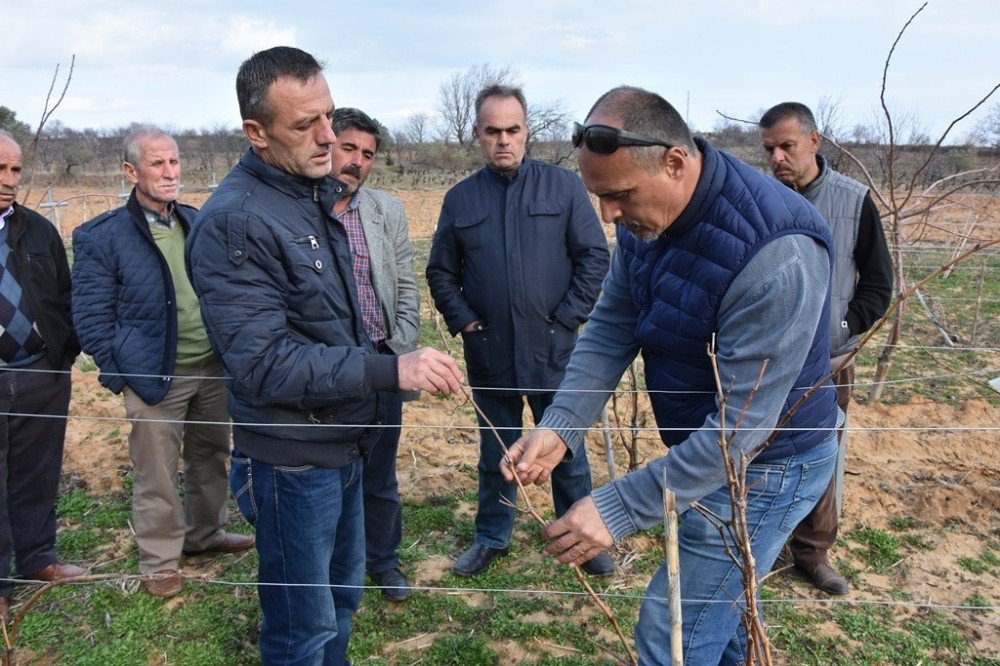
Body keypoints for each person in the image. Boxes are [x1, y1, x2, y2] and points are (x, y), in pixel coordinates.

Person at [504, 86, 840, 664]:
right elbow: (613, 323)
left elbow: (738, 433)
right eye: (599, 197)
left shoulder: (776, 254)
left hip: (770, 463)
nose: (608, 215)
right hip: (710, 447)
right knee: (722, 617)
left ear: (675, 161)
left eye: (619, 197)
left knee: (674, 631)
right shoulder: (646, 219)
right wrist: (560, 425)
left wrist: (613, 508)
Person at [186, 46, 463, 665]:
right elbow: (265, 364)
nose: (328, 137)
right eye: (304, 124)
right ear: (255, 133)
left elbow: (348, 313)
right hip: (292, 462)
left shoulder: (311, 194)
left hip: (343, 440)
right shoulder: (236, 222)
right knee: (300, 630)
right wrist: (391, 369)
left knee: (341, 601)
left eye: (329, 116)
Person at [426, 85, 614, 578]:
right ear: (477, 134)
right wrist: (465, 321)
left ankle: (580, 537)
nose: (503, 140)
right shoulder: (461, 199)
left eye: (512, 130)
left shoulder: (563, 187)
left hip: (555, 350)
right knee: (496, 447)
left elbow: (594, 256)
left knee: (564, 446)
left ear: (527, 131)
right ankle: (492, 535)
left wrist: (568, 315)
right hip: (491, 352)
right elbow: (441, 272)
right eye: (493, 131)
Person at [72, 127, 253, 599]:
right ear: (131, 171)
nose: (169, 172)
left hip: (211, 368)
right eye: (157, 164)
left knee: (211, 454)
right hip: (153, 375)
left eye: (173, 162)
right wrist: (121, 377)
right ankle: (158, 559)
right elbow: (90, 316)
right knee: (155, 469)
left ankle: (205, 534)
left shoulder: (198, 221)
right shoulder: (102, 236)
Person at [759, 102, 892, 595]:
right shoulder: (759, 198)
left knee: (822, 454)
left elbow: (878, 284)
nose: (777, 157)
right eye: (769, 148)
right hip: (767, 360)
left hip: (830, 363)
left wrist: (841, 328)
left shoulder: (853, 200)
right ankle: (759, 543)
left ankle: (812, 554)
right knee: (758, 449)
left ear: (815, 141)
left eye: (787, 146)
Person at [329, 107, 420, 601]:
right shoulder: (304, 211)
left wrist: (398, 347)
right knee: (330, 476)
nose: (357, 161)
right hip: (327, 371)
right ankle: (334, 564)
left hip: (382, 365)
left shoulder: (386, 211)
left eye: (367, 154)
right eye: (349, 148)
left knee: (380, 474)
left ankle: (383, 560)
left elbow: (405, 286)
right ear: (326, 145)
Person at [0, 129, 85, 623]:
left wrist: (63, 356)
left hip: (40, 372)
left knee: (36, 471)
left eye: (15, 170)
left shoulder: (36, 230)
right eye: (0, 169)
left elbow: (65, 294)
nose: (9, 181)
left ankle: (38, 559)